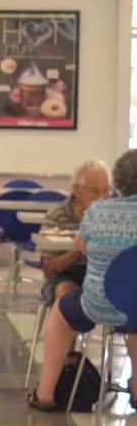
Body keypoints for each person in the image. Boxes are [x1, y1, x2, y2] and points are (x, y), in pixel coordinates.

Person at [29, 149, 137, 412]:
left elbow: (84, 248)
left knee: (61, 311)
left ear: (117, 183)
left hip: (97, 303)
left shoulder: (98, 211)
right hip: (133, 306)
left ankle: (45, 394)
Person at [39, 158, 111, 304]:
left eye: (106, 190)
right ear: (76, 189)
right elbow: (48, 269)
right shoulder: (57, 213)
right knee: (69, 297)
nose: (102, 198)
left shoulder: (112, 214)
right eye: (94, 192)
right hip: (64, 276)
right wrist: (78, 249)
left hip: (100, 277)